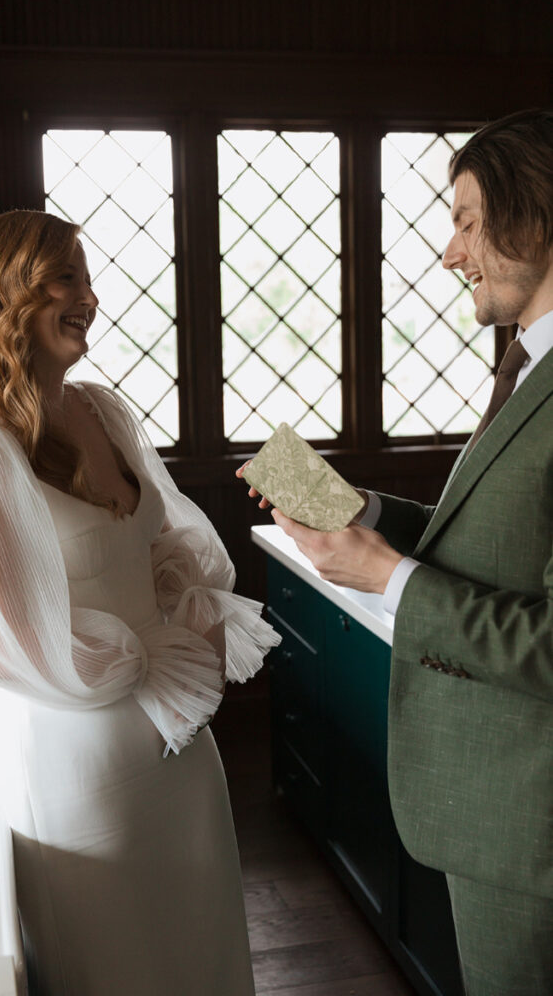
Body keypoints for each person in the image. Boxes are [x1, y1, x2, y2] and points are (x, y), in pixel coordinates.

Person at [0, 209, 280, 996]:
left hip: (176, 741)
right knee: (115, 965)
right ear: (0, 299)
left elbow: (167, 549)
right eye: (63, 277)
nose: (88, 295)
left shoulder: (101, 409)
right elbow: (4, 637)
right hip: (73, 754)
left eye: (84, 275)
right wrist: (144, 658)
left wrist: (187, 631)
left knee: (198, 950)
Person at [239, 109, 553, 996]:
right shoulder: (528, 364)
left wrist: (385, 574)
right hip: (492, 818)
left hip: (528, 831)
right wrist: (358, 510)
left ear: (534, 218)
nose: (449, 253)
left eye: (464, 220)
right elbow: (500, 538)